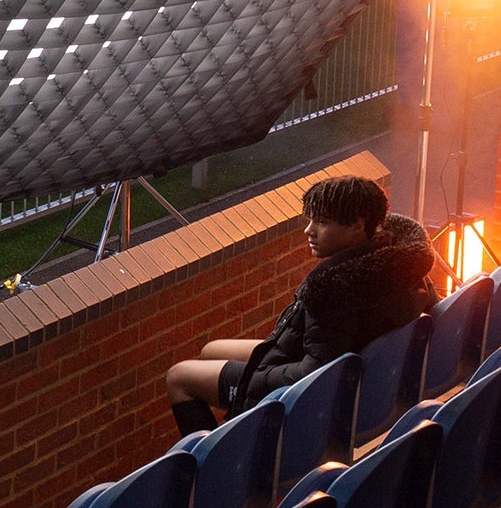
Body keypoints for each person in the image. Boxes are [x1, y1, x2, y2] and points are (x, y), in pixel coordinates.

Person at [165, 175, 437, 436]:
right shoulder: (398, 263)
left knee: (179, 377)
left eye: (322, 222)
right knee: (210, 350)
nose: (309, 230)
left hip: (305, 387)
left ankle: (214, 458)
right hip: (325, 359)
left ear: (357, 225)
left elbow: (315, 374)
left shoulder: (334, 289)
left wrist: (259, 376)